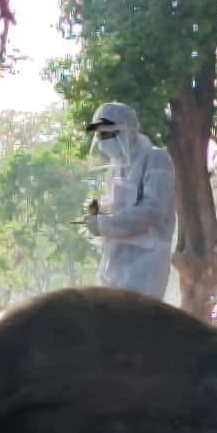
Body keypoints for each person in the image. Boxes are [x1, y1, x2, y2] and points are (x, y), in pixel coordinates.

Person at [83, 102, 176, 300]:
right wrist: (99, 212)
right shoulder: (114, 169)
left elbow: (153, 209)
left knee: (138, 316)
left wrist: (105, 224)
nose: (101, 141)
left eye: (106, 134)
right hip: (115, 261)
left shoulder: (155, 158)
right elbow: (120, 208)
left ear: (126, 130)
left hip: (146, 262)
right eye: (99, 135)